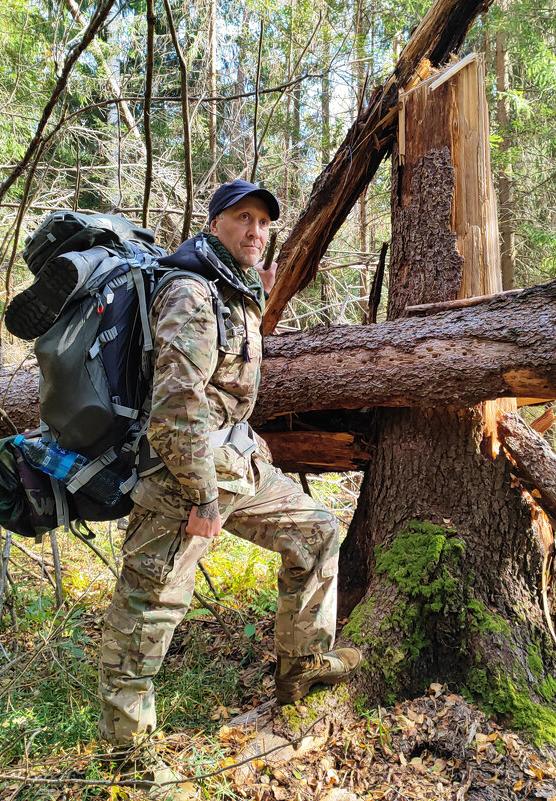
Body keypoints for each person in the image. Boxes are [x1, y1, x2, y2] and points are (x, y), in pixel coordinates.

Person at [98, 180, 361, 789]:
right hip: (180, 480)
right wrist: (202, 499)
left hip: (235, 467)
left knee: (317, 533)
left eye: (264, 223)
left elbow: (226, 401)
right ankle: (126, 757)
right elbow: (176, 406)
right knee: (148, 608)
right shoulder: (191, 292)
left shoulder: (234, 291)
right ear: (215, 223)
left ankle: (302, 668)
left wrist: (248, 458)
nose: (256, 232)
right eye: (243, 219)